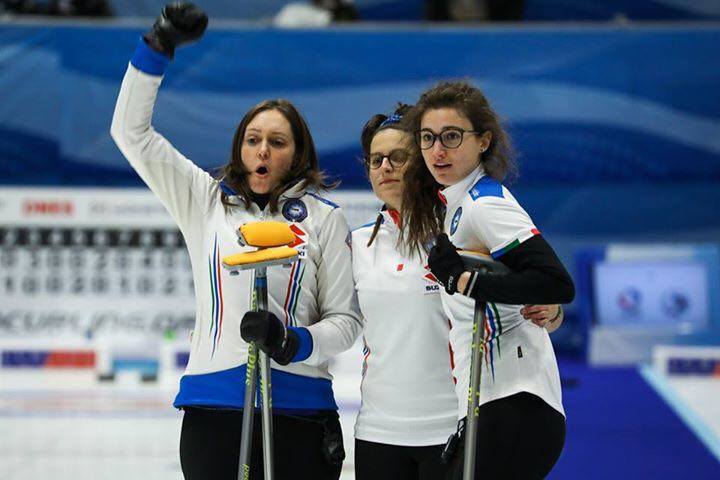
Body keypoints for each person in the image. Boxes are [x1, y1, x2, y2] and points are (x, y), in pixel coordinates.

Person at [110, 3, 362, 479]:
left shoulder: (327, 218)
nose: (262, 149)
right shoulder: (203, 201)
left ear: (298, 153)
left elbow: (346, 321)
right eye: (252, 139)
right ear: (239, 149)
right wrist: (158, 47)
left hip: (302, 411)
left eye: (277, 141)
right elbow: (130, 132)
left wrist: (295, 341)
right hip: (214, 408)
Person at [352, 105, 565, 480]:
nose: (385, 167)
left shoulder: (461, 224)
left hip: (453, 423)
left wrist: (551, 310)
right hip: (379, 428)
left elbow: (536, 285)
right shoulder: (356, 243)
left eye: (398, 157)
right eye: (376, 159)